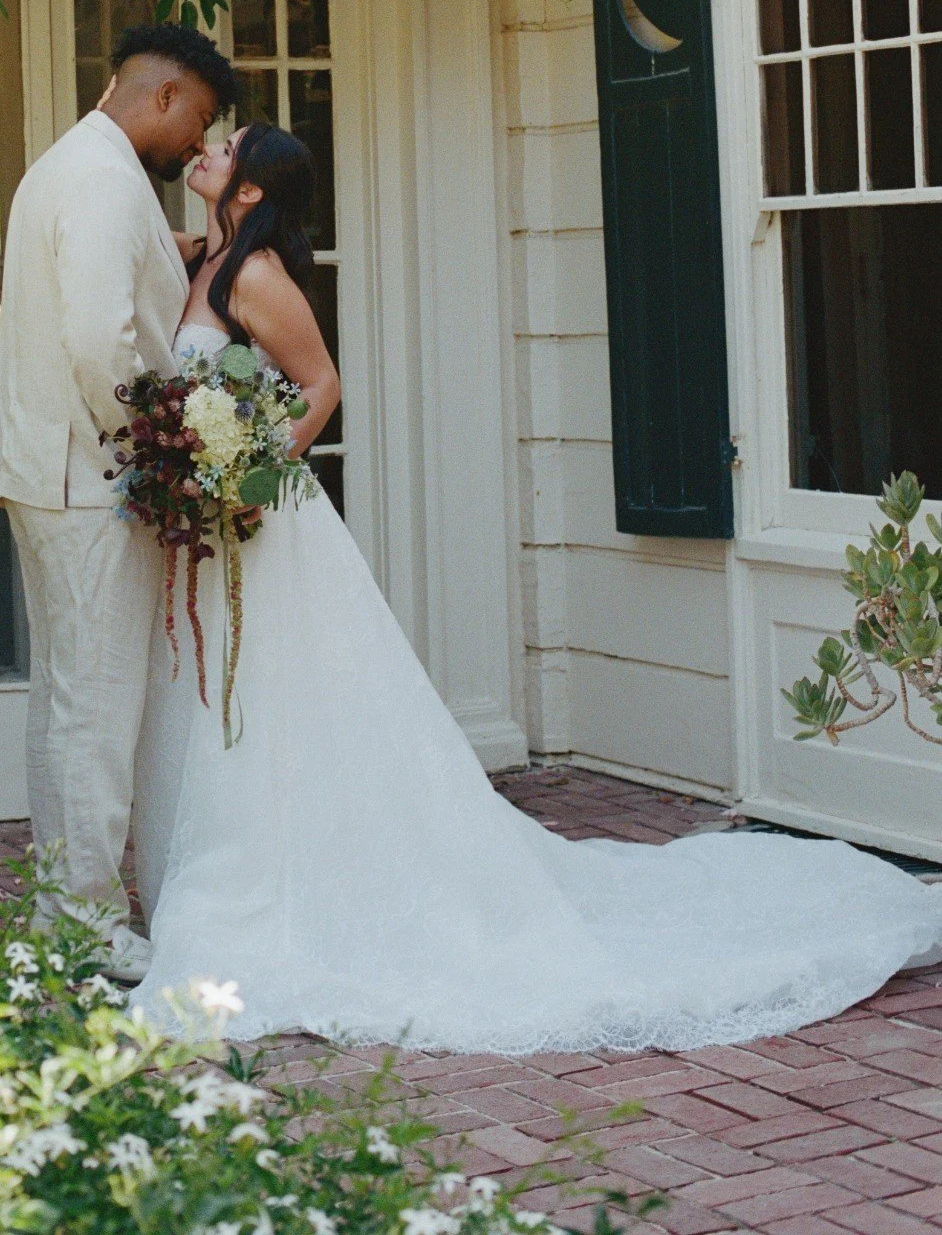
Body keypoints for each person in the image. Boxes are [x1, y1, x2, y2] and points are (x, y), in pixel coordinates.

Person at [130, 122, 942, 1053]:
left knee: (278, 694)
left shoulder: (255, 274)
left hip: (264, 517)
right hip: (211, 531)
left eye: (226, 147)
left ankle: (284, 893)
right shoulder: (201, 256)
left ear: (250, 191)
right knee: (234, 696)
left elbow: (321, 385)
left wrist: (250, 472)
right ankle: (241, 871)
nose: (207, 149)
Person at [0, 22, 237, 984]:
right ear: (162, 96)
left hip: (49, 470)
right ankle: (87, 922)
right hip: (86, 478)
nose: (196, 143)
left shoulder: (72, 165)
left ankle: (65, 910)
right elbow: (99, 340)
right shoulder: (105, 179)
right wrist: (157, 448)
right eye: (197, 120)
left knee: (67, 702)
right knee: (95, 707)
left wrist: (171, 251)